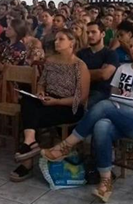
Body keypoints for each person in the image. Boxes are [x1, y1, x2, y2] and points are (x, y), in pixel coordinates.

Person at [41, 32, 133, 202]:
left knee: (104, 105)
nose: (132, 49)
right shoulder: (123, 69)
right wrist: (123, 96)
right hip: (122, 118)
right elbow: (114, 97)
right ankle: (105, 181)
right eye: (131, 45)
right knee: (102, 125)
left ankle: (66, 145)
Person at [11, 30, 90, 181]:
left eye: (61, 39)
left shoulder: (80, 66)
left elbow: (81, 97)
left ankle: (27, 159)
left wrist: (57, 101)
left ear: (71, 43)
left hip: (69, 106)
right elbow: (42, 83)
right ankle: (30, 142)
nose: (56, 42)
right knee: (27, 100)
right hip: (49, 100)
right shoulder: (51, 60)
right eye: (56, 39)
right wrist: (40, 93)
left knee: (31, 116)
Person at [76, 22, 119, 107]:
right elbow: (74, 73)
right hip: (80, 90)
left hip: (101, 92)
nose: (90, 35)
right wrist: (98, 72)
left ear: (102, 34)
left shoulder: (110, 54)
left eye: (93, 32)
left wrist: (83, 72)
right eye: (88, 33)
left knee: (84, 106)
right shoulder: (81, 53)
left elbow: (104, 75)